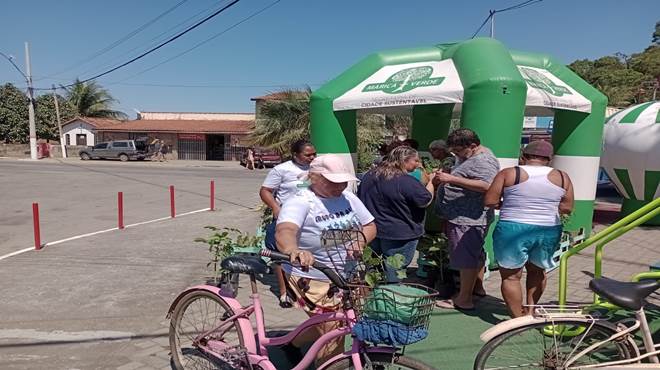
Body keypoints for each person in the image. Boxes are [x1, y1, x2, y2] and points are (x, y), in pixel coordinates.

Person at [275, 154, 377, 366]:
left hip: (348, 272)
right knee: (335, 330)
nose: (339, 186)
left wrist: (360, 242)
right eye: (332, 181)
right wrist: (294, 249)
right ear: (313, 177)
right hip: (312, 275)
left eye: (342, 181)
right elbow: (285, 230)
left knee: (335, 321)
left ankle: (291, 344)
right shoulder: (301, 201)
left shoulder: (348, 197)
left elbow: (370, 225)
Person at [484, 140, 574, 317]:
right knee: (538, 271)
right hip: (548, 228)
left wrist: (508, 204)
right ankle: (531, 311)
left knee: (511, 276)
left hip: (513, 227)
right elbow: (567, 208)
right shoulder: (563, 177)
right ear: (549, 159)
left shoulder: (509, 173)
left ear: (523, 156)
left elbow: (490, 201)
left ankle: (518, 318)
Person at [434, 128, 499, 310]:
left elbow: (487, 185)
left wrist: (451, 179)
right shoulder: (472, 156)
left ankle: (464, 299)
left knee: (465, 259)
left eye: (459, 151)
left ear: (472, 146)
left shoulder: (483, 160)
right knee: (473, 255)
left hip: (468, 218)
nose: (456, 154)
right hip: (464, 216)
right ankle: (476, 289)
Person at [358, 146, 436, 282]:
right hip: (400, 234)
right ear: (404, 160)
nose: (418, 164)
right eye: (416, 161)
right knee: (395, 271)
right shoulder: (405, 180)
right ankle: (391, 298)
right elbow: (425, 200)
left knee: (373, 269)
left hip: (372, 230)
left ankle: (374, 297)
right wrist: (431, 183)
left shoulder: (368, 176)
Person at [259, 139, 317, 307]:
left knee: (307, 253)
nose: (312, 157)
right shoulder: (282, 170)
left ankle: (306, 291)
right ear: (295, 155)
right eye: (307, 155)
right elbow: (265, 191)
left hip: (309, 217)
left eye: (314, 154)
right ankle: (284, 292)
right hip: (287, 217)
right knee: (283, 255)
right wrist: (275, 207)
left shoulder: (317, 168)